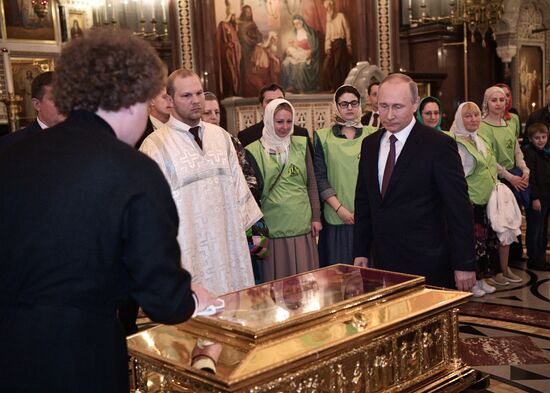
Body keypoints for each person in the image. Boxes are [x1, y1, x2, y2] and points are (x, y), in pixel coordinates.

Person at [0, 28, 213, 393]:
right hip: (80, 358)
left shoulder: (10, 153)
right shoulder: (133, 169)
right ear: (132, 99)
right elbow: (163, 299)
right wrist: (193, 298)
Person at [140, 69, 262, 296]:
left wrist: (259, 241)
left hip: (229, 252)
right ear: (169, 100)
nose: (195, 100)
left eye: (198, 93)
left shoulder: (222, 137)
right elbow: (152, 216)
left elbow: (242, 195)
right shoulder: (154, 146)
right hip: (189, 256)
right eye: (186, 95)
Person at [353, 73, 476, 290]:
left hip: (428, 263)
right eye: (383, 106)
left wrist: (464, 263)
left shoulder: (439, 145)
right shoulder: (369, 145)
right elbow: (364, 203)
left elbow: (458, 208)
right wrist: (361, 251)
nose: (389, 115)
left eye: (397, 107)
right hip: (383, 262)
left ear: (415, 104)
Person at [245, 98, 321, 281]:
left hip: (302, 225)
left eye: (289, 121)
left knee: (305, 285)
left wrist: (316, 217)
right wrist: (254, 234)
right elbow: (249, 196)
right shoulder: (253, 150)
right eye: (279, 121)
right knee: (276, 284)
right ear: (269, 120)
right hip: (272, 228)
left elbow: (311, 182)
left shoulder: (301, 144)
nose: (285, 127)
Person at [314, 85, 376, 266]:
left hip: (367, 216)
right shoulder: (323, 137)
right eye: (344, 104)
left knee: (370, 278)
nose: (350, 108)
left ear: (360, 105)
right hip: (337, 217)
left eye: (354, 103)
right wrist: (339, 209)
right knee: (341, 279)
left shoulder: (373, 134)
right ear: (336, 106)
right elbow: (320, 176)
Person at [478, 85, 529, 285]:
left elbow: (516, 151)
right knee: (495, 228)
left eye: (502, 100)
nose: (499, 103)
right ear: (487, 103)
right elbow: (489, 158)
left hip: (512, 180)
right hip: (495, 181)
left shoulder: (508, 124)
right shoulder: (483, 126)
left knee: (508, 227)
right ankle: (495, 270)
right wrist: (509, 177)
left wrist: (524, 169)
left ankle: (506, 268)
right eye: (494, 100)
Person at [449, 102, 499, 297]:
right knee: (471, 243)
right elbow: (457, 176)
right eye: (468, 116)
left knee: (484, 243)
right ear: (460, 119)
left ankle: (481, 278)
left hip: (485, 200)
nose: (474, 120)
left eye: (476, 115)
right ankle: (470, 283)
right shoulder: (456, 142)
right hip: (469, 202)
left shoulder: (480, 138)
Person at [0, 71, 65, 151]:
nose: (65, 104)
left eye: (67, 98)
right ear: (37, 104)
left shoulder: (82, 136)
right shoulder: (11, 143)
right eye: (56, 99)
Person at [237, 83, 312, 150]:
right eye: (270, 101)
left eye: (280, 100)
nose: (276, 104)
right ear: (261, 106)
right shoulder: (247, 136)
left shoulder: (301, 134)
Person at [522, 123, 550, 271]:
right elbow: (531, 179)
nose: (541, 140)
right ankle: (534, 258)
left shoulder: (545, 152)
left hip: (546, 197)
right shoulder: (530, 154)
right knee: (535, 229)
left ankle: (541, 254)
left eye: (543, 137)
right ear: (531, 139)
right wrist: (535, 198)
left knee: (543, 228)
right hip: (537, 198)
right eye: (537, 138)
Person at [281, 15, 319, 93]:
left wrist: (311, 52)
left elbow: (314, 45)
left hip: (307, 53)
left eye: (298, 23)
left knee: (302, 66)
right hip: (297, 52)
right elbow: (290, 45)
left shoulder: (309, 32)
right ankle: (291, 85)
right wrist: (290, 50)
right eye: (295, 24)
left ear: (302, 22)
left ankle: (301, 87)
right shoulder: (294, 32)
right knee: (286, 63)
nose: (296, 25)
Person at [321, 0, 353, 92]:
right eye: (327, 8)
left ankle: (340, 87)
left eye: (330, 7)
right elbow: (328, 35)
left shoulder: (341, 16)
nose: (329, 9)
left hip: (341, 43)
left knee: (338, 65)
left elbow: (347, 29)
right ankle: (333, 86)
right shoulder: (329, 20)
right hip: (333, 45)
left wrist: (349, 43)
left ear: (333, 6)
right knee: (328, 66)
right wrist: (327, 47)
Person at [245, 31, 281, 97]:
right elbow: (264, 53)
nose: (275, 41)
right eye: (274, 39)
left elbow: (270, 55)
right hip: (259, 68)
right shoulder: (260, 47)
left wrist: (276, 60)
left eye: (275, 39)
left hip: (265, 68)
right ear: (271, 39)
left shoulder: (271, 47)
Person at [237, 5, 262, 95]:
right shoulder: (239, 24)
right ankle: (244, 91)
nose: (248, 14)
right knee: (243, 70)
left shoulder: (252, 24)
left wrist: (255, 40)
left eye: (250, 12)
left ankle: (252, 90)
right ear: (243, 13)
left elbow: (259, 36)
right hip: (242, 50)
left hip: (251, 49)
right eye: (247, 12)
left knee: (251, 69)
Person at [217, 11, 241, 97]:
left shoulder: (233, 27)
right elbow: (223, 40)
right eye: (233, 16)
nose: (234, 18)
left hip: (235, 55)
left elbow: (236, 41)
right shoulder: (224, 25)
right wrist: (230, 45)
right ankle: (231, 91)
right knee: (230, 73)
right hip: (229, 54)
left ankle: (236, 91)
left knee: (236, 74)